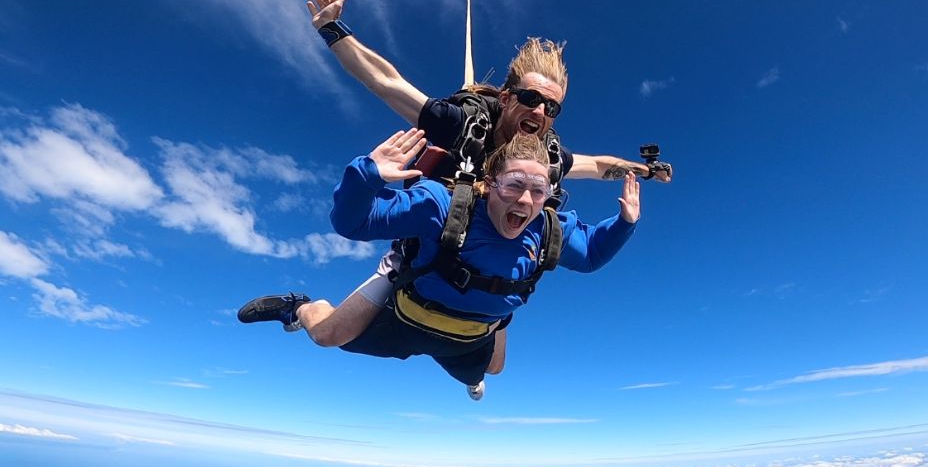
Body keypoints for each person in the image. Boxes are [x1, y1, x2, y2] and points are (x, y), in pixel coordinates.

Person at [242, 0, 666, 342]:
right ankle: (300, 309)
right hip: (428, 242)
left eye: (552, 107)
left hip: (493, 259)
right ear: (506, 99)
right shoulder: (464, 126)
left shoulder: (545, 155)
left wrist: (643, 170)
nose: (540, 112)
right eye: (532, 99)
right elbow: (386, 83)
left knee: (493, 363)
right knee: (332, 334)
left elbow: (596, 165)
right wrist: (334, 30)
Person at [241, 129, 640, 400]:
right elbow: (353, 222)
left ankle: (497, 323)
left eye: (539, 190)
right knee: (329, 334)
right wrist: (367, 175)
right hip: (405, 315)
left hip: (466, 337)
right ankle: (297, 306)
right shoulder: (441, 205)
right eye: (514, 184)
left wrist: (624, 223)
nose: (525, 201)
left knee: (492, 371)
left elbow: (589, 256)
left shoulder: (549, 227)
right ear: (490, 183)